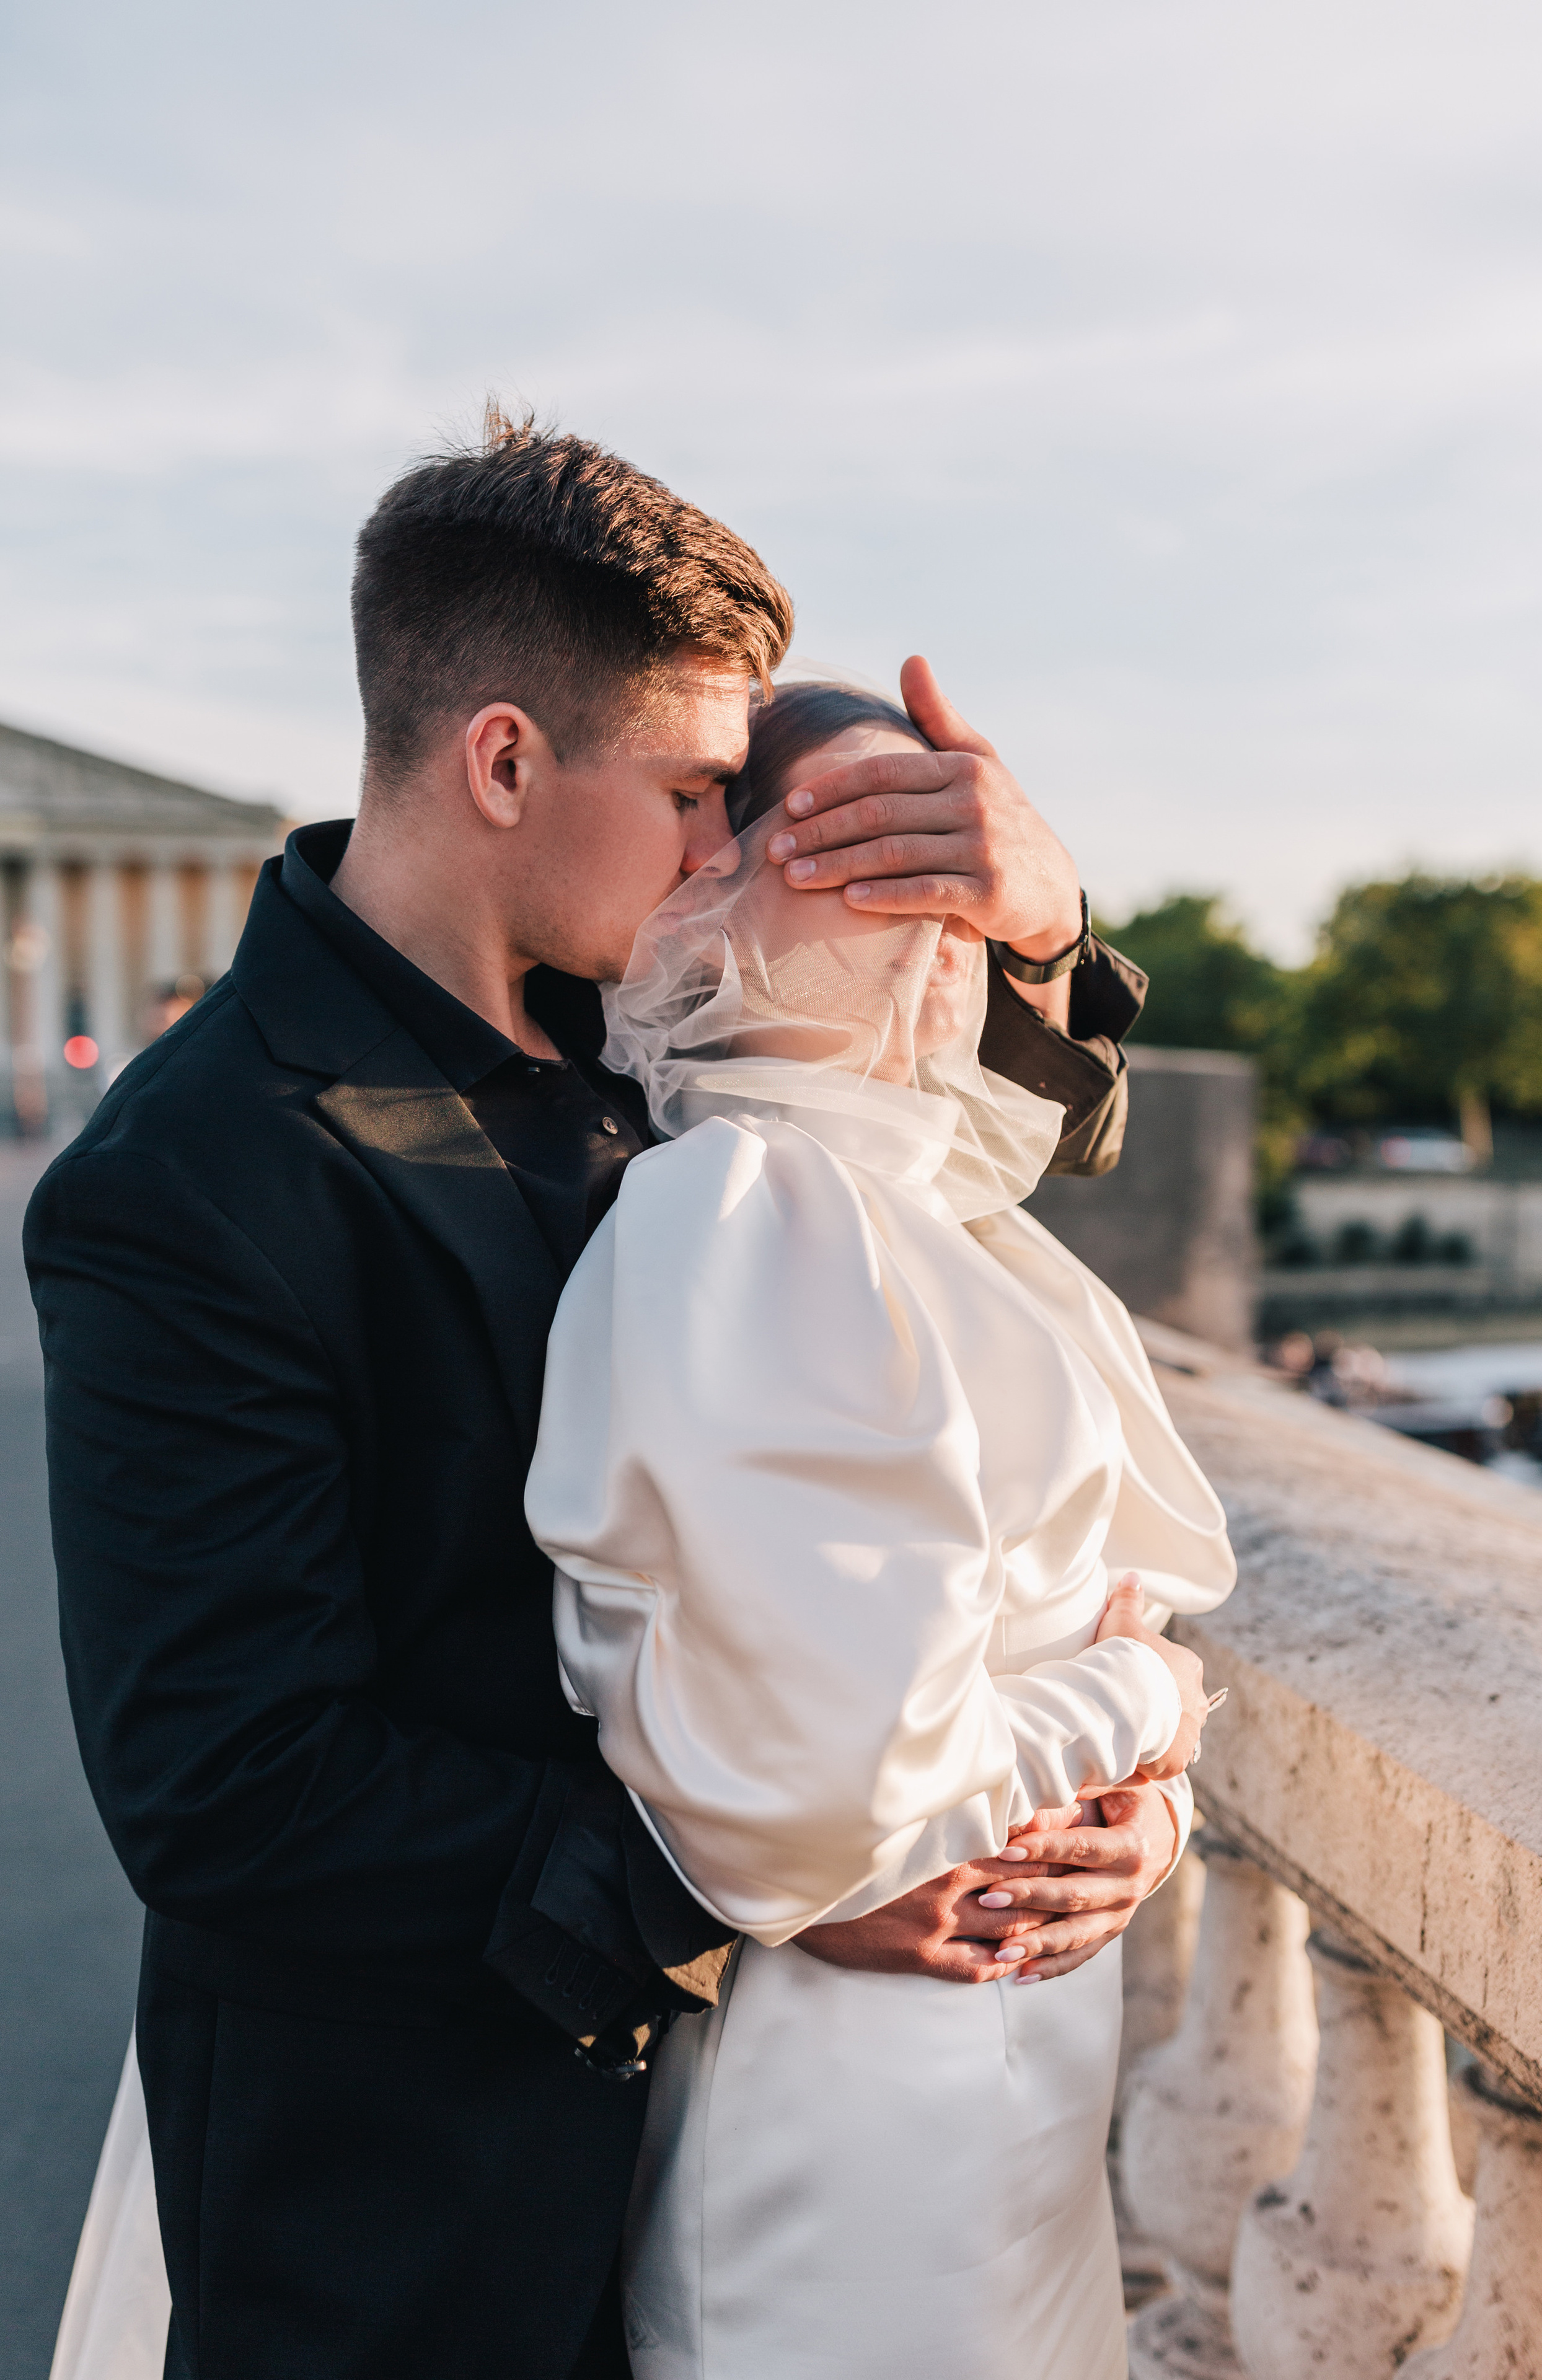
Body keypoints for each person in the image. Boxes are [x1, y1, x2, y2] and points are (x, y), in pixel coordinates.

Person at [29, 411, 1163, 2380]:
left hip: (758, 2173)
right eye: (701, 792)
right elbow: (229, 1789)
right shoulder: (185, 1180)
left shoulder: (665, 1025)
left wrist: (1047, 930)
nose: (736, 851)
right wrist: (775, 1880)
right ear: (500, 762)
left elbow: (970, 1176)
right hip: (413, 2222)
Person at [527, 685, 1236, 2378]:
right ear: (702, 893)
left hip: (1026, 2077)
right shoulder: (741, 1211)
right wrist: (1150, 1704)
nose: (929, 886)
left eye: (948, 839)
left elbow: (1057, 1621)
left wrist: (1150, 1812)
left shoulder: (941, 1203)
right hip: (868, 2112)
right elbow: (837, 1807)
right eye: (850, 836)